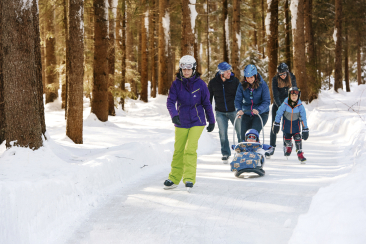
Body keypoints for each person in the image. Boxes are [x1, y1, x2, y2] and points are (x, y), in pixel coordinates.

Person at [165, 55, 215, 190]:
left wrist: (211, 120)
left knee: (190, 150)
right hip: (181, 121)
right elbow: (170, 101)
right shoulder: (176, 84)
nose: (186, 71)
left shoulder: (201, 85)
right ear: (180, 69)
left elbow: (207, 104)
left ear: (193, 69)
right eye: (183, 69)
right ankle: (174, 178)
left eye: (189, 69)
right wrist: (174, 115)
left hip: (197, 121)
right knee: (178, 150)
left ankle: (188, 179)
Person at [208, 62, 241, 162]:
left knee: (240, 132)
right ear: (221, 73)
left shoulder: (235, 81)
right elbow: (208, 100)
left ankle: (242, 151)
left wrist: (240, 109)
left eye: (230, 71)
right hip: (220, 112)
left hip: (234, 111)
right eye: (227, 71)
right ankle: (225, 153)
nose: (229, 73)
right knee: (223, 134)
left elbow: (240, 96)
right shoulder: (213, 83)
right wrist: (209, 117)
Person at [266, 62, 297, 157]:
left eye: (284, 74)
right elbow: (275, 96)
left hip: (288, 105)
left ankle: (286, 145)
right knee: (274, 126)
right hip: (278, 105)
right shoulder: (275, 79)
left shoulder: (292, 77)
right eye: (280, 74)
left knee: (286, 126)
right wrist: (280, 107)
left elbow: (294, 93)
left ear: (287, 72)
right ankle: (272, 147)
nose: (282, 76)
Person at [234, 64, 271, 141]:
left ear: (255, 76)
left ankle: (255, 150)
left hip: (260, 113)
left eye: (251, 77)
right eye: (247, 77)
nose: (249, 79)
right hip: (247, 113)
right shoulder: (241, 85)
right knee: (243, 136)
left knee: (252, 135)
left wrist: (259, 109)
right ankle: (243, 150)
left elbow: (266, 101)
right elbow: (238, 100)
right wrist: (239, 109)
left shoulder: (262, 85)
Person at [272, 87, 309, 162]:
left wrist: (305, 128)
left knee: (298, 139)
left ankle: (300, 154)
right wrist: (276, 123)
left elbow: (303, 118)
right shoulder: (285, 104)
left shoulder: (300, 106)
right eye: (292, 95)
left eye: (295, 95)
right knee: (287, 140)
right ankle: (289, 146)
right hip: (286, 127)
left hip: (296, 127)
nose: (294, 97)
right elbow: (279, 114)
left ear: (298, 96)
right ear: (289, 96)